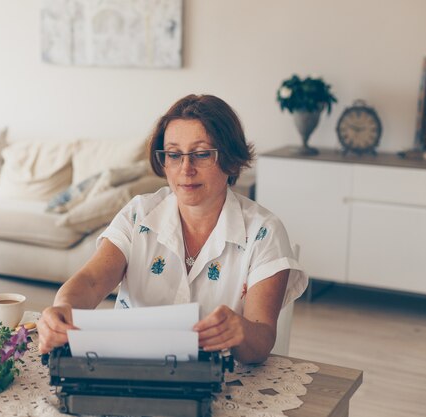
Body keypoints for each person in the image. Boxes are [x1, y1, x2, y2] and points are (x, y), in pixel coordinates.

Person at [38, 94, 307, 364]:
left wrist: (241, 330)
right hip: (129, 370)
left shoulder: (265, 232)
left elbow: (260, 343)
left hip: (221, 385)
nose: (185, 169)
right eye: (174, 155)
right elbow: (91, 281)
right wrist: (62, 309)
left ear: (232, 159)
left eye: (201, 154)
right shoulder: (138, 214)